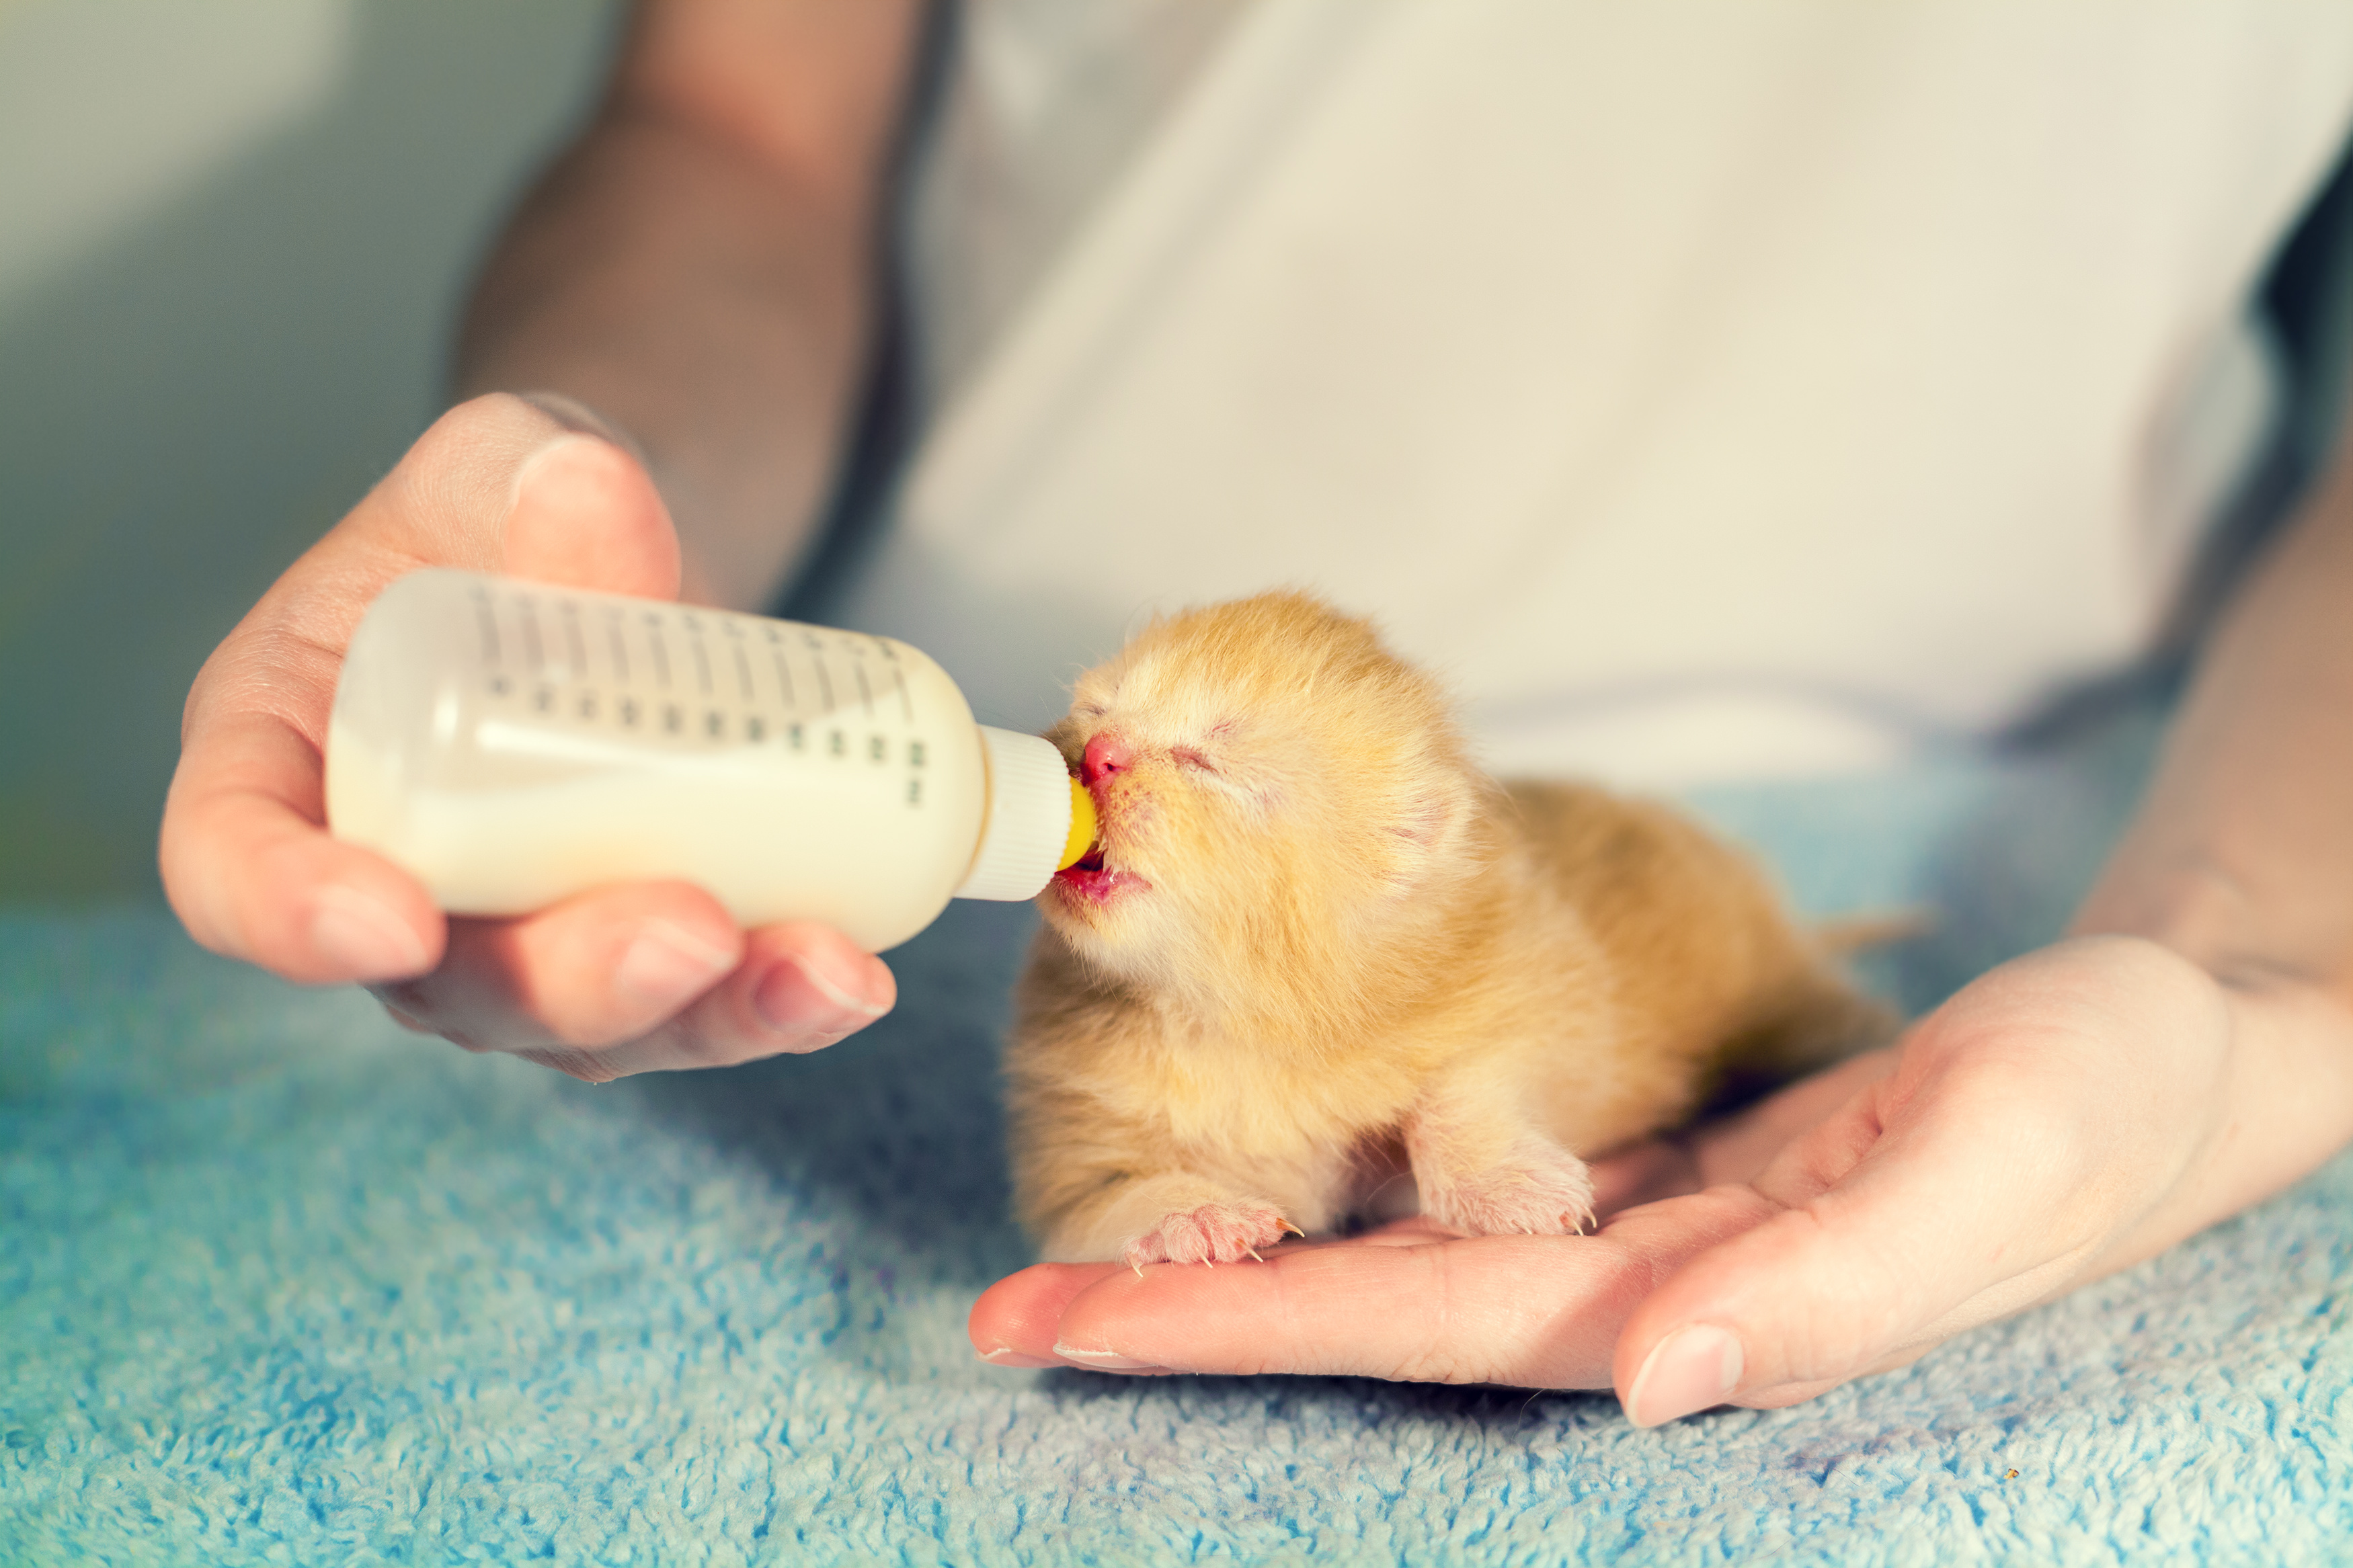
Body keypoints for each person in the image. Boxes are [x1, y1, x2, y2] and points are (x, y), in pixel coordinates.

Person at [160, 0, 2353, 1428]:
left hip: (2056, 762)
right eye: (1119, 728)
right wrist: (591, 511)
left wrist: (2255, 968)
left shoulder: (1464, 914)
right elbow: (736, 118)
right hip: (848, 633)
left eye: (1191, 768)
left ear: (1405, 851)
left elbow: (1515, 1026)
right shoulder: (1071, 923)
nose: (1110, 765)